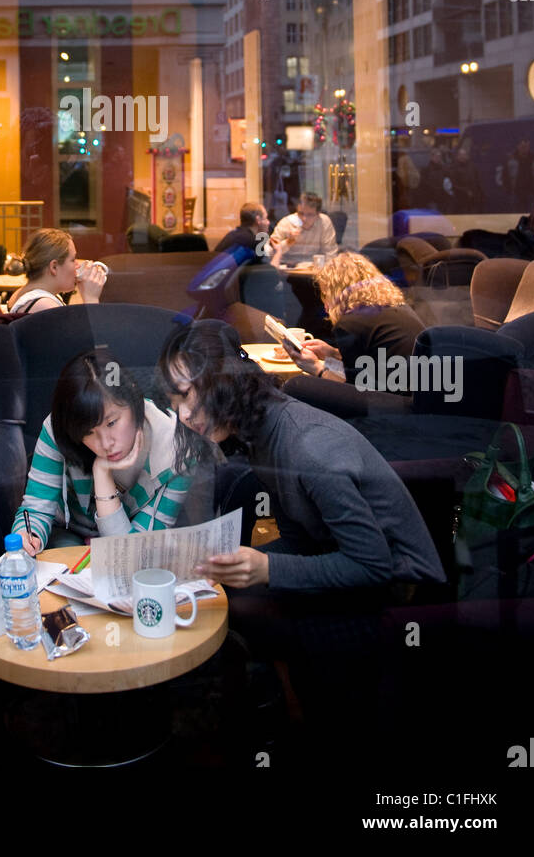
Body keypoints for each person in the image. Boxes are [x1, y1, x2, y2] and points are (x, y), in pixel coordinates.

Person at [156, 320, 444, 752]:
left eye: (187, 395)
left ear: (224, 384)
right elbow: (299, 532)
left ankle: (302, 728)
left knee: (242, 612)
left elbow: (374, 565)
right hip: (345, 560)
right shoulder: (260, 428)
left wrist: (265, 566)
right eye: (175, 400)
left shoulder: (306, 446)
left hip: (399, 589)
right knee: (222, 599)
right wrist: (239, 562)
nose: (182, 414)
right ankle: (275, 714)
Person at [13, 348, 196, 554]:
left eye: (111, 423)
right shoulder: (58, 428)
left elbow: (132, 554)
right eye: (88, 432)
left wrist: (102, 474)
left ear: (134, 398)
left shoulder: (178, 451)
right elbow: (36, 508)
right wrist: (27, 535)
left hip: (128, 543)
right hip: (66, 533)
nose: (105, 443)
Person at [278, 251, 424, 387]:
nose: (326, 307)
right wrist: (334, 353)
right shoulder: (392, 307)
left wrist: (316, 368)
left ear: (335, 291)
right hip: (419, 394)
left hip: (395, 405)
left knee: (297, 386)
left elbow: (354, 390)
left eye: (326, 294)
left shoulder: (351, 322)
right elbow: (370, 360)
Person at [7, 228, 107, 314]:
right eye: (73, 260)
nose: (77, 265)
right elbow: (94, 335)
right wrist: (91, 298)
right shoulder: (45, 306)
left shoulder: (22, 293)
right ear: (54, 267)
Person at [268, 192, 337, 267]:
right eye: (301, 213)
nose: (304, 218)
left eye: (309, 214)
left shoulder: (324, 222)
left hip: (313, 268)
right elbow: (270, 253)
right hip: (287, 269)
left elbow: (330, 254)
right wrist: (288, 242)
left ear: (318, 214)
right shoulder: (286, 223)